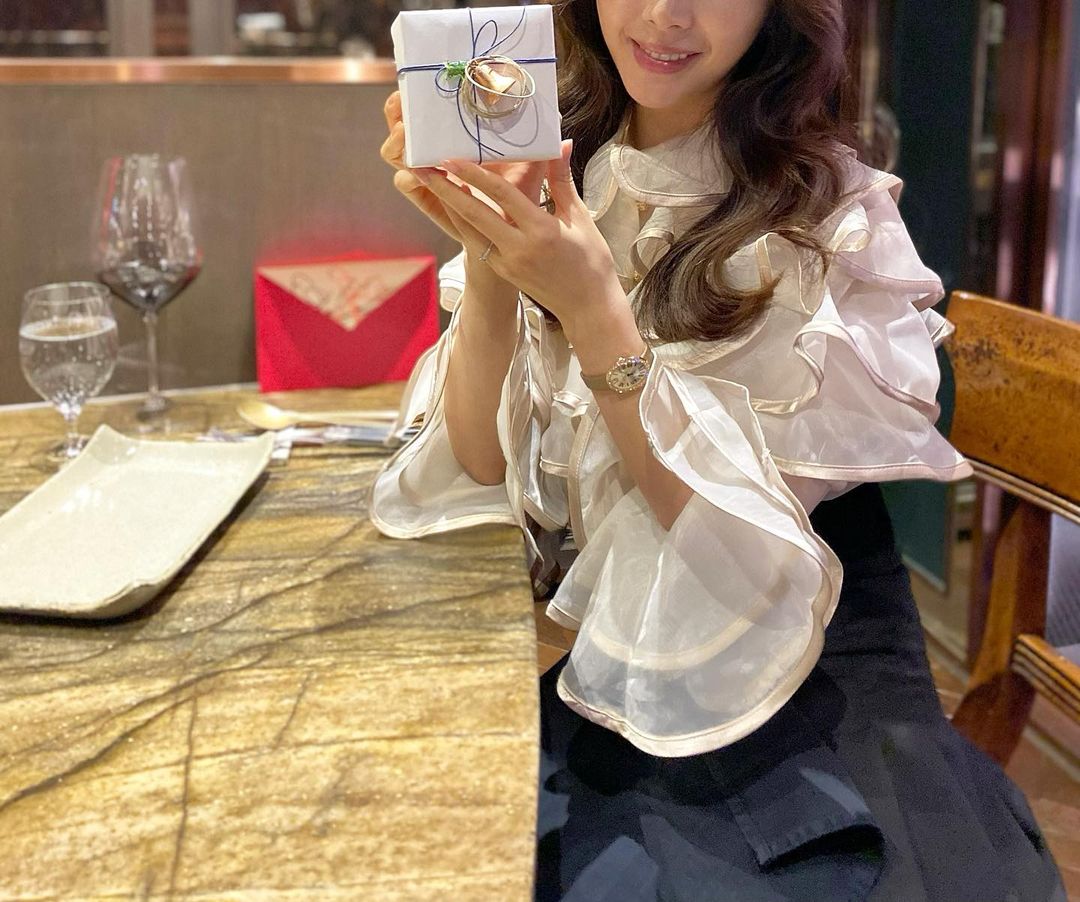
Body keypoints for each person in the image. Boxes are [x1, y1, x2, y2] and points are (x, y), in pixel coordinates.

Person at [373, 1, 1066, 899]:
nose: (667, 15)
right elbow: (477, 462)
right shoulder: (563, 161)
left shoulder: (827, 219)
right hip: (630, 671)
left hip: (801, 672)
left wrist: (594, 312)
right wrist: (491, 259)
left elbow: (727, 562)